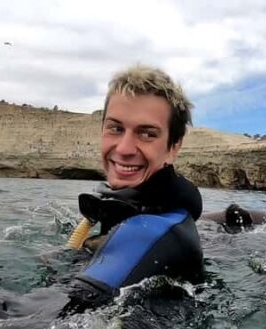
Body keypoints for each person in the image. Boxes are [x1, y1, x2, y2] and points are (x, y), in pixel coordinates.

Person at [63, 65, 203, 314]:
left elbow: (46, 319)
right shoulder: (154, 210)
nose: (124, 149)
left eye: (147, 134)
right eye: (115, 128)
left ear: (173, 147)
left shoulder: (152, 232)